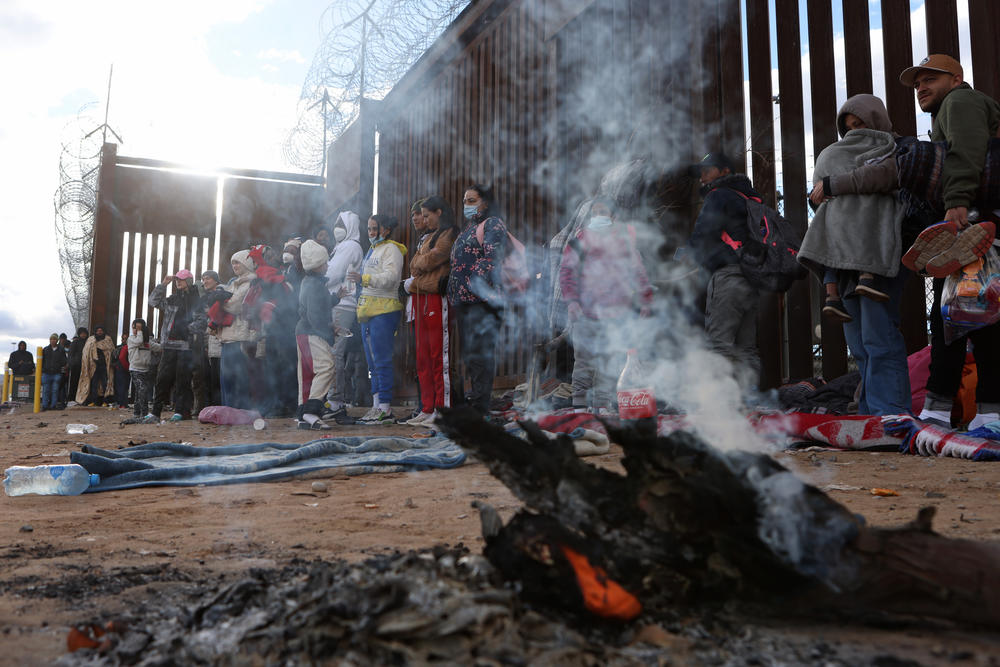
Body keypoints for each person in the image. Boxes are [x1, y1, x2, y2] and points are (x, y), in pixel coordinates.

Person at [900, 54, 1000, 428]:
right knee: (975, 314)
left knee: (961, 316)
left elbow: (968, 147)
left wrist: (956, 201)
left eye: (930, 79)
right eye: (917, 84)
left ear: (956, 78)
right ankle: (984, 415)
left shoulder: (961, 101)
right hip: (978, 221)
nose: (921, 88)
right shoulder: (954, 108)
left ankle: (946, 413)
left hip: (976, 221)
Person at [801, 95, 912, 415]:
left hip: (879, 254)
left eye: (860, 124)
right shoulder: (839, 155)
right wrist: (824, 193)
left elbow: (887, 176)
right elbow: (819, 194)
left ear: (877, 120)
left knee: (879, 335)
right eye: (848, 127)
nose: (854, 132)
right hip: (843, 254)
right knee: (859, 342)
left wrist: (833, 184)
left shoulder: (899, 148)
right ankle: (869, 410)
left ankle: (890, 412)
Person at [560, 196, 653, 410]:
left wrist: (645, 299)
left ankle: (603, 406)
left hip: (616, 313)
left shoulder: (623, 241)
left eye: (603, 212)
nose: (598, 217)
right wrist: (572, 302)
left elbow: (638, 272)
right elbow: (567, 272)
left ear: (613, 216)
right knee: (583, 362)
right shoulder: (580, 239)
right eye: (595, 213)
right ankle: (580, 407)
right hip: (585, 313)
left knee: (610, 362)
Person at [685, 153, 762, 390]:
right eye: (701, 173)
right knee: (746, 347)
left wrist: (684, 256)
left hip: (728, 275)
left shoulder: (718, 195)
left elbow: (702, 237)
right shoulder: (751, 198)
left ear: (725, 171)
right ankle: (751, 403)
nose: (702, 178)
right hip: (752, 277)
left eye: (707, 171)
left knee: (719, 345)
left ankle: (721, 408)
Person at [448, 183, 509, 415]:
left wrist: (471, 283)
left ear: (485, 202)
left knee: (482, 354)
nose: (466, 205)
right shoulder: (468, 229)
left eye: (472, 200)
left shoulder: (493, 224)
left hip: (483, 301)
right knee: (471, 355)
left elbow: (492, 258)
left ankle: (481, 405)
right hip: (465, 301)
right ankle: (477, 401)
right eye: (465, 201)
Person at [406, 195, 458, 425]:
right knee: (423, 357)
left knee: (439, 356)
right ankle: (427, 407)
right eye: (422, 216)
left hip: (438, 299)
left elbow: (429, 262)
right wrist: (421, 264)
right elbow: (414, 264)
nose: (424, 220)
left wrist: (421, 266)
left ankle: (443, 409)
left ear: (440, 212)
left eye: (427, 215)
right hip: (422, 298)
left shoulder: (449, 233)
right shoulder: (427, 237)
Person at [349, 214, 406, 424]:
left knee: (382, 360)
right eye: (369, 229)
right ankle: (375, 406)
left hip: (384, 311)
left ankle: (385, 407)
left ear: (387, 229)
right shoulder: (371, 250)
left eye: (375, 228)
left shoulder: (392, 249)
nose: (371, 233)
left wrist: (364, 279)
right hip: (367, 312)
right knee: (371, 362)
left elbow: (391, 279)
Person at [323, 211, 365, 424]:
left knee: (335, 354)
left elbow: (333, 274)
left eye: (341, 223)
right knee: (332, 354)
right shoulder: (340, 247)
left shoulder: (350, 246)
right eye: (335, 223)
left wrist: (317, 281)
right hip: (337, 304)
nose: (336, 227)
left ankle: (336, 401)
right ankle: (332, 399)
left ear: (350, 226)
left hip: (343, 305)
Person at [247, 244, 298, 417]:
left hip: (280, 328)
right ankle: (281, 404)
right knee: (278, 368)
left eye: (272, 252)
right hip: (277, 328)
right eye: (268, 255)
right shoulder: (268, 275)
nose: (274, 255)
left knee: (278, 367)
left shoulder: (277, 274)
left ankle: (282, 404)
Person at [295, 240, 339, 430]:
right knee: (327, 366)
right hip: (312, 332)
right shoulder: (314, 285)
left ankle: (303, 415)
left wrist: (336, 298)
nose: (328, 265)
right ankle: (312, 410)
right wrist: (330, 329)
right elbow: (315, 314)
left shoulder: (310, 282)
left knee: (306, 374)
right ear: (317, 264)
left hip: (303, 332)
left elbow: (318, 305)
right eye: (325, 262)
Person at [149, 269, 199, 421]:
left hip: (186, 345)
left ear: (189, 281)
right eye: (177, 279)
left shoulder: (197, 300)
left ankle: (180, 411)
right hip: (169, 344)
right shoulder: (172, 299)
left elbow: (202, 320)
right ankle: (155, 412)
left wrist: (187, 329)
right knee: (162, 378)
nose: (178, 282)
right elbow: (153, 302)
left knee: (183, 380)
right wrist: (163, 284)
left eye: (182, 279)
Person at [217, 250, 257, 409]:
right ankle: (229, 410)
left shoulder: (249, 283)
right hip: (229, 336)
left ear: (247, 263)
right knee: (227, 378)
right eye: (233, 263)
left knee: (237, 378)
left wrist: (219, 302)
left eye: (238, 262)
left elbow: (234, 306)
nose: (234, 266)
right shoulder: (235, 283)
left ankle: (239, 411)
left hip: (239, 336)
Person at [190, 270, 229, 414]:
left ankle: (225, 409)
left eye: (208, 279)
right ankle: (215, 410)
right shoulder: (205, 299)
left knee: (222, 379)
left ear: (216, 280)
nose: (205, 281)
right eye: (203, 279)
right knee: (213, 380)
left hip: (223, 341)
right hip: (212, 344)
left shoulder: (224, 291)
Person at [127, 318, 161, 422]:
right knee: (142, 390)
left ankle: (137, 413)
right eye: (135, 328)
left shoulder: (148, 342)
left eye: (139, 328)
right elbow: (139, 341)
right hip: (135, 369)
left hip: (145, 370)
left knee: (139, 392)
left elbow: (159, 348)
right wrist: (140, 332)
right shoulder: (131, 339)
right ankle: (144, 413)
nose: (136, 330)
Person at [75, 325, 115, 405]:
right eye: (98, 331)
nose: (99, 332)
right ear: (95, 332)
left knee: (105, 383)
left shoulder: (108, 339)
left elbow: (111, 351)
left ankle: (105, 401)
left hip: (104, 366)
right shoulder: (91, 339)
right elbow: (86, 352)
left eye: (101, 330)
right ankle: (94, 401)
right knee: (94, 383)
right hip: (94, 366)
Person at [40, 334, 67, 411]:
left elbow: (64, 360)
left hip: (56, 373)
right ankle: (45, 405)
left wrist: (61, 365)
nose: (53, 341)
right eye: (51, 339)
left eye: (54, 339)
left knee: (55, 390)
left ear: (57, 340)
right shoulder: (45, 349)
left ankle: (53, 405)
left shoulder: (61, 350)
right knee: (46, 390)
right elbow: (41, 361)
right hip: (46, 373)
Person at [67, 327, 88, 403]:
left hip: (85, 366)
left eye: (84, 333)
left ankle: (82, 399)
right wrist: (72, 363)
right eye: (82, 333)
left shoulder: (88, 342)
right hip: (76, 366)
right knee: (74, 383)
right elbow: (70, 354)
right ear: (79, 334)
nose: (83, 335)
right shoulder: (75, 342)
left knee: (84, 384)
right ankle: (72, 399)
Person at [113, 333, 130, 409]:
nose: (124, 340)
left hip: (124, 369)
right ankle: (122, 403)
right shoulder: (118, 348)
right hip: (122, 368)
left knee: (124, 387)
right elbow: (119, 358)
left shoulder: (128, 347)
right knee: (122, 387)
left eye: (126, 339)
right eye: (123, 338)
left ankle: (123, 403)